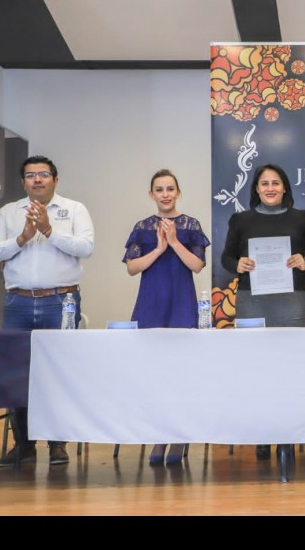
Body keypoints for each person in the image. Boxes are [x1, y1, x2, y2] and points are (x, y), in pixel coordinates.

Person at [0, 155, 94, 467]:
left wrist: (49, 230)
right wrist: (22, 238)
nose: (37, 180)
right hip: (17, 303)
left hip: (61, 302)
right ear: (23, 182)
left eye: (43, 174)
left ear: (55, 180)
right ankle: (24, 444)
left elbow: (86, 248)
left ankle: (58, 444)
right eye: (31, 175)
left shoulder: (74, 209)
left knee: (59, 373)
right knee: (18, 373)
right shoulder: (9, 212)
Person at [222, 163, 305, 461]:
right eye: (264, 183)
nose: (270, 188)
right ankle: (262, 435)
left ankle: (288, 435)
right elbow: (226, 258)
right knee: (256, 369)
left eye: (275, 183)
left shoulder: (303, 218)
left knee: (290, 369)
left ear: (285, 187)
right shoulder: (240, 220)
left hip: (290, 301)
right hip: (252, 301)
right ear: (256, 188)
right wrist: (237, 264)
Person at [123, 169, 210, 465]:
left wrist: (173, 242)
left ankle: (178, 436)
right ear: (152, 194)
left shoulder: (190, 225)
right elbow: (132, 268)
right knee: (154, 375)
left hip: (181, 304)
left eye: (170, 189)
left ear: (178, 192)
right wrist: (160, 248)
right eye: (159, 189)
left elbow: (197, 265)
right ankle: (158, 436)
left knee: (181, 373)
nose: (165, 194)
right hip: (151, 305)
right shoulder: (142, 227)